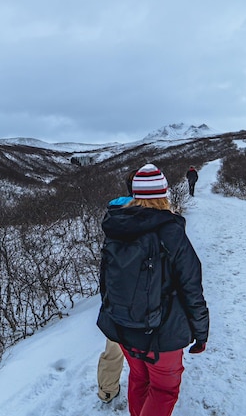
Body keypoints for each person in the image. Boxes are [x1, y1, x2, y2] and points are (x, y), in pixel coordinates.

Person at [97, 163, 209, 416]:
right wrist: (201, 333)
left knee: (139, 380)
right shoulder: (171, 232)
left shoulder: (116, 227)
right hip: (162, 335)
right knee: (164, 390)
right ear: (164, 194)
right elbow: (192, 289)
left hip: (123, 328)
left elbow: (104, 281)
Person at [97, 169, 137, 403]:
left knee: (114, 348)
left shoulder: (115, 216)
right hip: (148, 298)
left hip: (118, 296)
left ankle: (107, 390)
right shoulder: (160, 215)